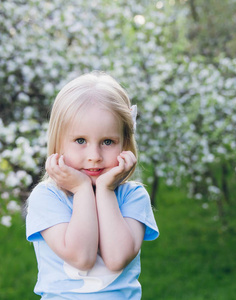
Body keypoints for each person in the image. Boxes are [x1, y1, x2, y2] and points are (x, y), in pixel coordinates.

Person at [25, 71, 159, 299]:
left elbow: (117, 259)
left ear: (125, 143)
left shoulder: (133, 196)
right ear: (58, 141)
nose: (94, 156)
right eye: (80, 141)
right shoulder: (47, 198)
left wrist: (105, 191)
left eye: (108, 142)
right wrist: (81, 189)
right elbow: (81, 257)